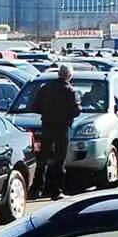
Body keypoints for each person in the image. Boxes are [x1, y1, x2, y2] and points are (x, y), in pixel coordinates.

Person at [32, 65, 80, 198]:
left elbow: (35, 107)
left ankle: (36, 189)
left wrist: (48, 112)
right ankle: (56, 190)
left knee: (43, 158)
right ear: (69, 76)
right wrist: (64, 115)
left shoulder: (45, 88)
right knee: (59, 160)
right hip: (62, 128)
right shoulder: (70, 91)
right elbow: (76, 111)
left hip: (47, 125)